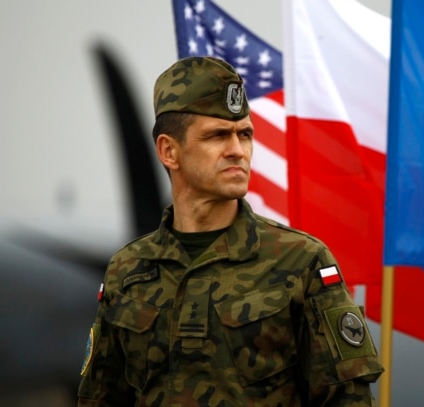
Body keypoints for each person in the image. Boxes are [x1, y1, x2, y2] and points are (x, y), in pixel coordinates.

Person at [77, 56, 383, 406]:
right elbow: (99, 398)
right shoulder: (127, 270)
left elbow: (347, 400)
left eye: (245, 135)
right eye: (218, 136)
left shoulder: (302, 262)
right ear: (168, 151)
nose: (237, 151)